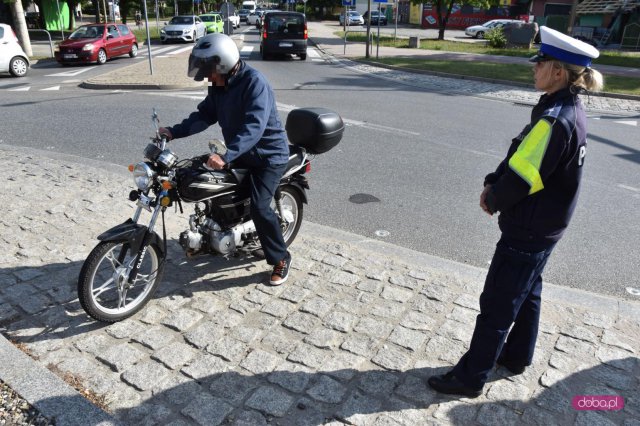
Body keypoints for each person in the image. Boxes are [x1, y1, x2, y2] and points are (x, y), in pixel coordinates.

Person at [428, 26, 604, 398]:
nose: (533, 68)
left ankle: (470, 377)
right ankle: (517, 356)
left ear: (558, 71)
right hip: (545, 226)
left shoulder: (556, 118)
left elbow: (524, 176)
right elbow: (523, 152)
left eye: (539, 63)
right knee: (529, 290)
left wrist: (492, 198)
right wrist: (495, 176)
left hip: (529, 227)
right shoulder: (564, 106)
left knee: (498, 304)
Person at [158, 33, 292, 286]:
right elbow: (204, 116)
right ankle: (218, 233)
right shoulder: (220, 87)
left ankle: (281, 257)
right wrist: (174, 131)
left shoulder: (255, 83)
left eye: (209, 70)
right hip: (242, 153)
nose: (206, 76)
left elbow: (254, 126)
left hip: (268, 156)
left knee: (260, 207)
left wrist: (227, 156)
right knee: (211, 185)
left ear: (223, 65)